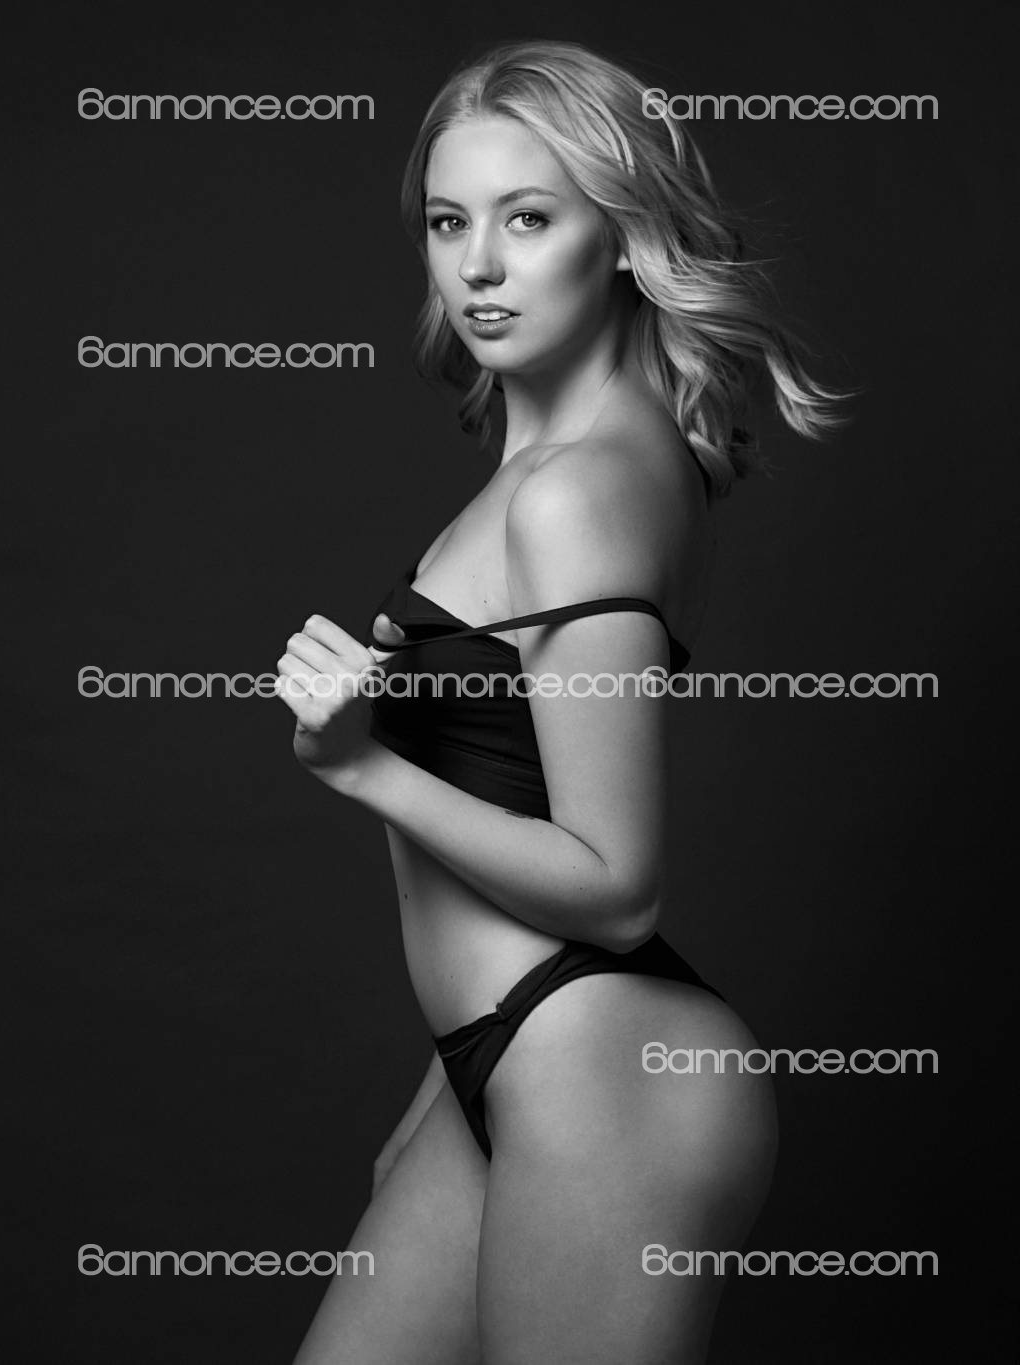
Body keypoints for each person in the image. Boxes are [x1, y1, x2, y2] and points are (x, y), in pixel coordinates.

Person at [276, 39, 844, 1365]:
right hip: (513, 1061)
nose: (478, 265)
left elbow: (616, 883)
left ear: (626, 238)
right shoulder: (566, 465)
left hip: (608, 1080)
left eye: (528, 219)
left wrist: (363, 766)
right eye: (449, 222)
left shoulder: (576, 491)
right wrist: (444, 1098)